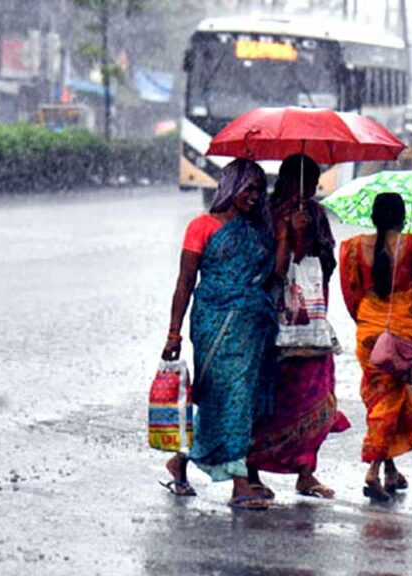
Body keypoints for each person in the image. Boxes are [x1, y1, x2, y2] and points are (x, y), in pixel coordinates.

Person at [161, 158, 277, 510]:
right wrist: (173, 333)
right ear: (229, 186)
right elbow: (185, 282)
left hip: (253, 324)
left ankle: (180, 462)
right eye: (248, 187)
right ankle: (240, 482)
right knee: (230, 397)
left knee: (237, 399)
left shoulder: (259, 231)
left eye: (260, 189)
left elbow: (274, 274)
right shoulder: (202, 226)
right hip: (214, 321)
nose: (255, 196)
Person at [246, 154, 350, 500]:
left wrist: (306, 237)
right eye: (301, 183)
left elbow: (324, 264)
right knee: (267, 399)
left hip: (312, 321)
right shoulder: (264, 213)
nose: (307, 190)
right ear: (287, 181)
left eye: (312, 184)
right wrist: (287, 234)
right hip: (270, 322)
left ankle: (306, 471)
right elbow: (265, 267)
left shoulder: (317, 215)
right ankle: (252, 471)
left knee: (315, 395)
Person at [339, 192, 412, 501]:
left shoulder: (353, 247)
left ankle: (391, 472)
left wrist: (367, 326)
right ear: (402, 217)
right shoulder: (411, 246)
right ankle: (373, 471)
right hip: (399, 337)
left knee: (383, 400)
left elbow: (350, 293)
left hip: (368, 336)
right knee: (387, 405)